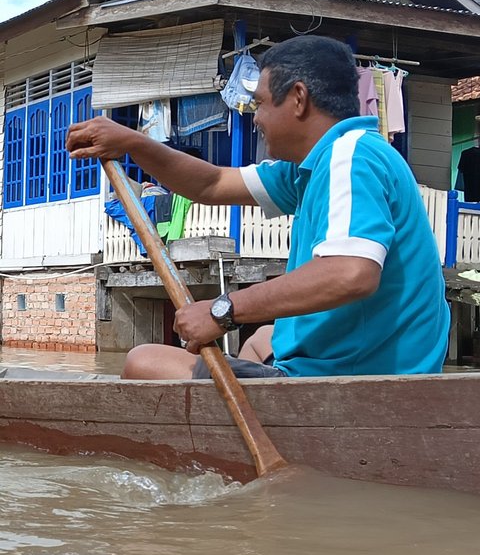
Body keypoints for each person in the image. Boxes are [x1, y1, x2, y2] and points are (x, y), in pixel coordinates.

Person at [67, 36, 450, 380]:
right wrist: (134, 142)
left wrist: (222, 310)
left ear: (298, 99)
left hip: (355, 382)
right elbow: (211, 183)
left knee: (142, 361)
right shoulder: (313, 165)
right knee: (262, 338)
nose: (256, 118)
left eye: (262, 103)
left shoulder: (350, 157)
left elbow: (350, 274)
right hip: (366, 362)